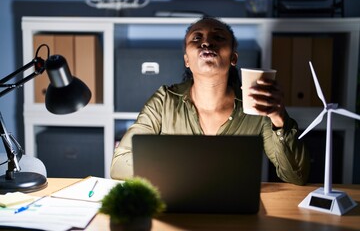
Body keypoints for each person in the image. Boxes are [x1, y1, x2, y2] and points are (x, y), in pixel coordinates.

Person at [111, 17, 310, 185]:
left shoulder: (256, 107)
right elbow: (119, 164)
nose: (206, 43)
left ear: (233, 58)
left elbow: (296, 177)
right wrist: (181, 170)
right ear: (187, 60)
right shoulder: (163, 101)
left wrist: (279, 119)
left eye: (218, 37)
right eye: (197, 38)